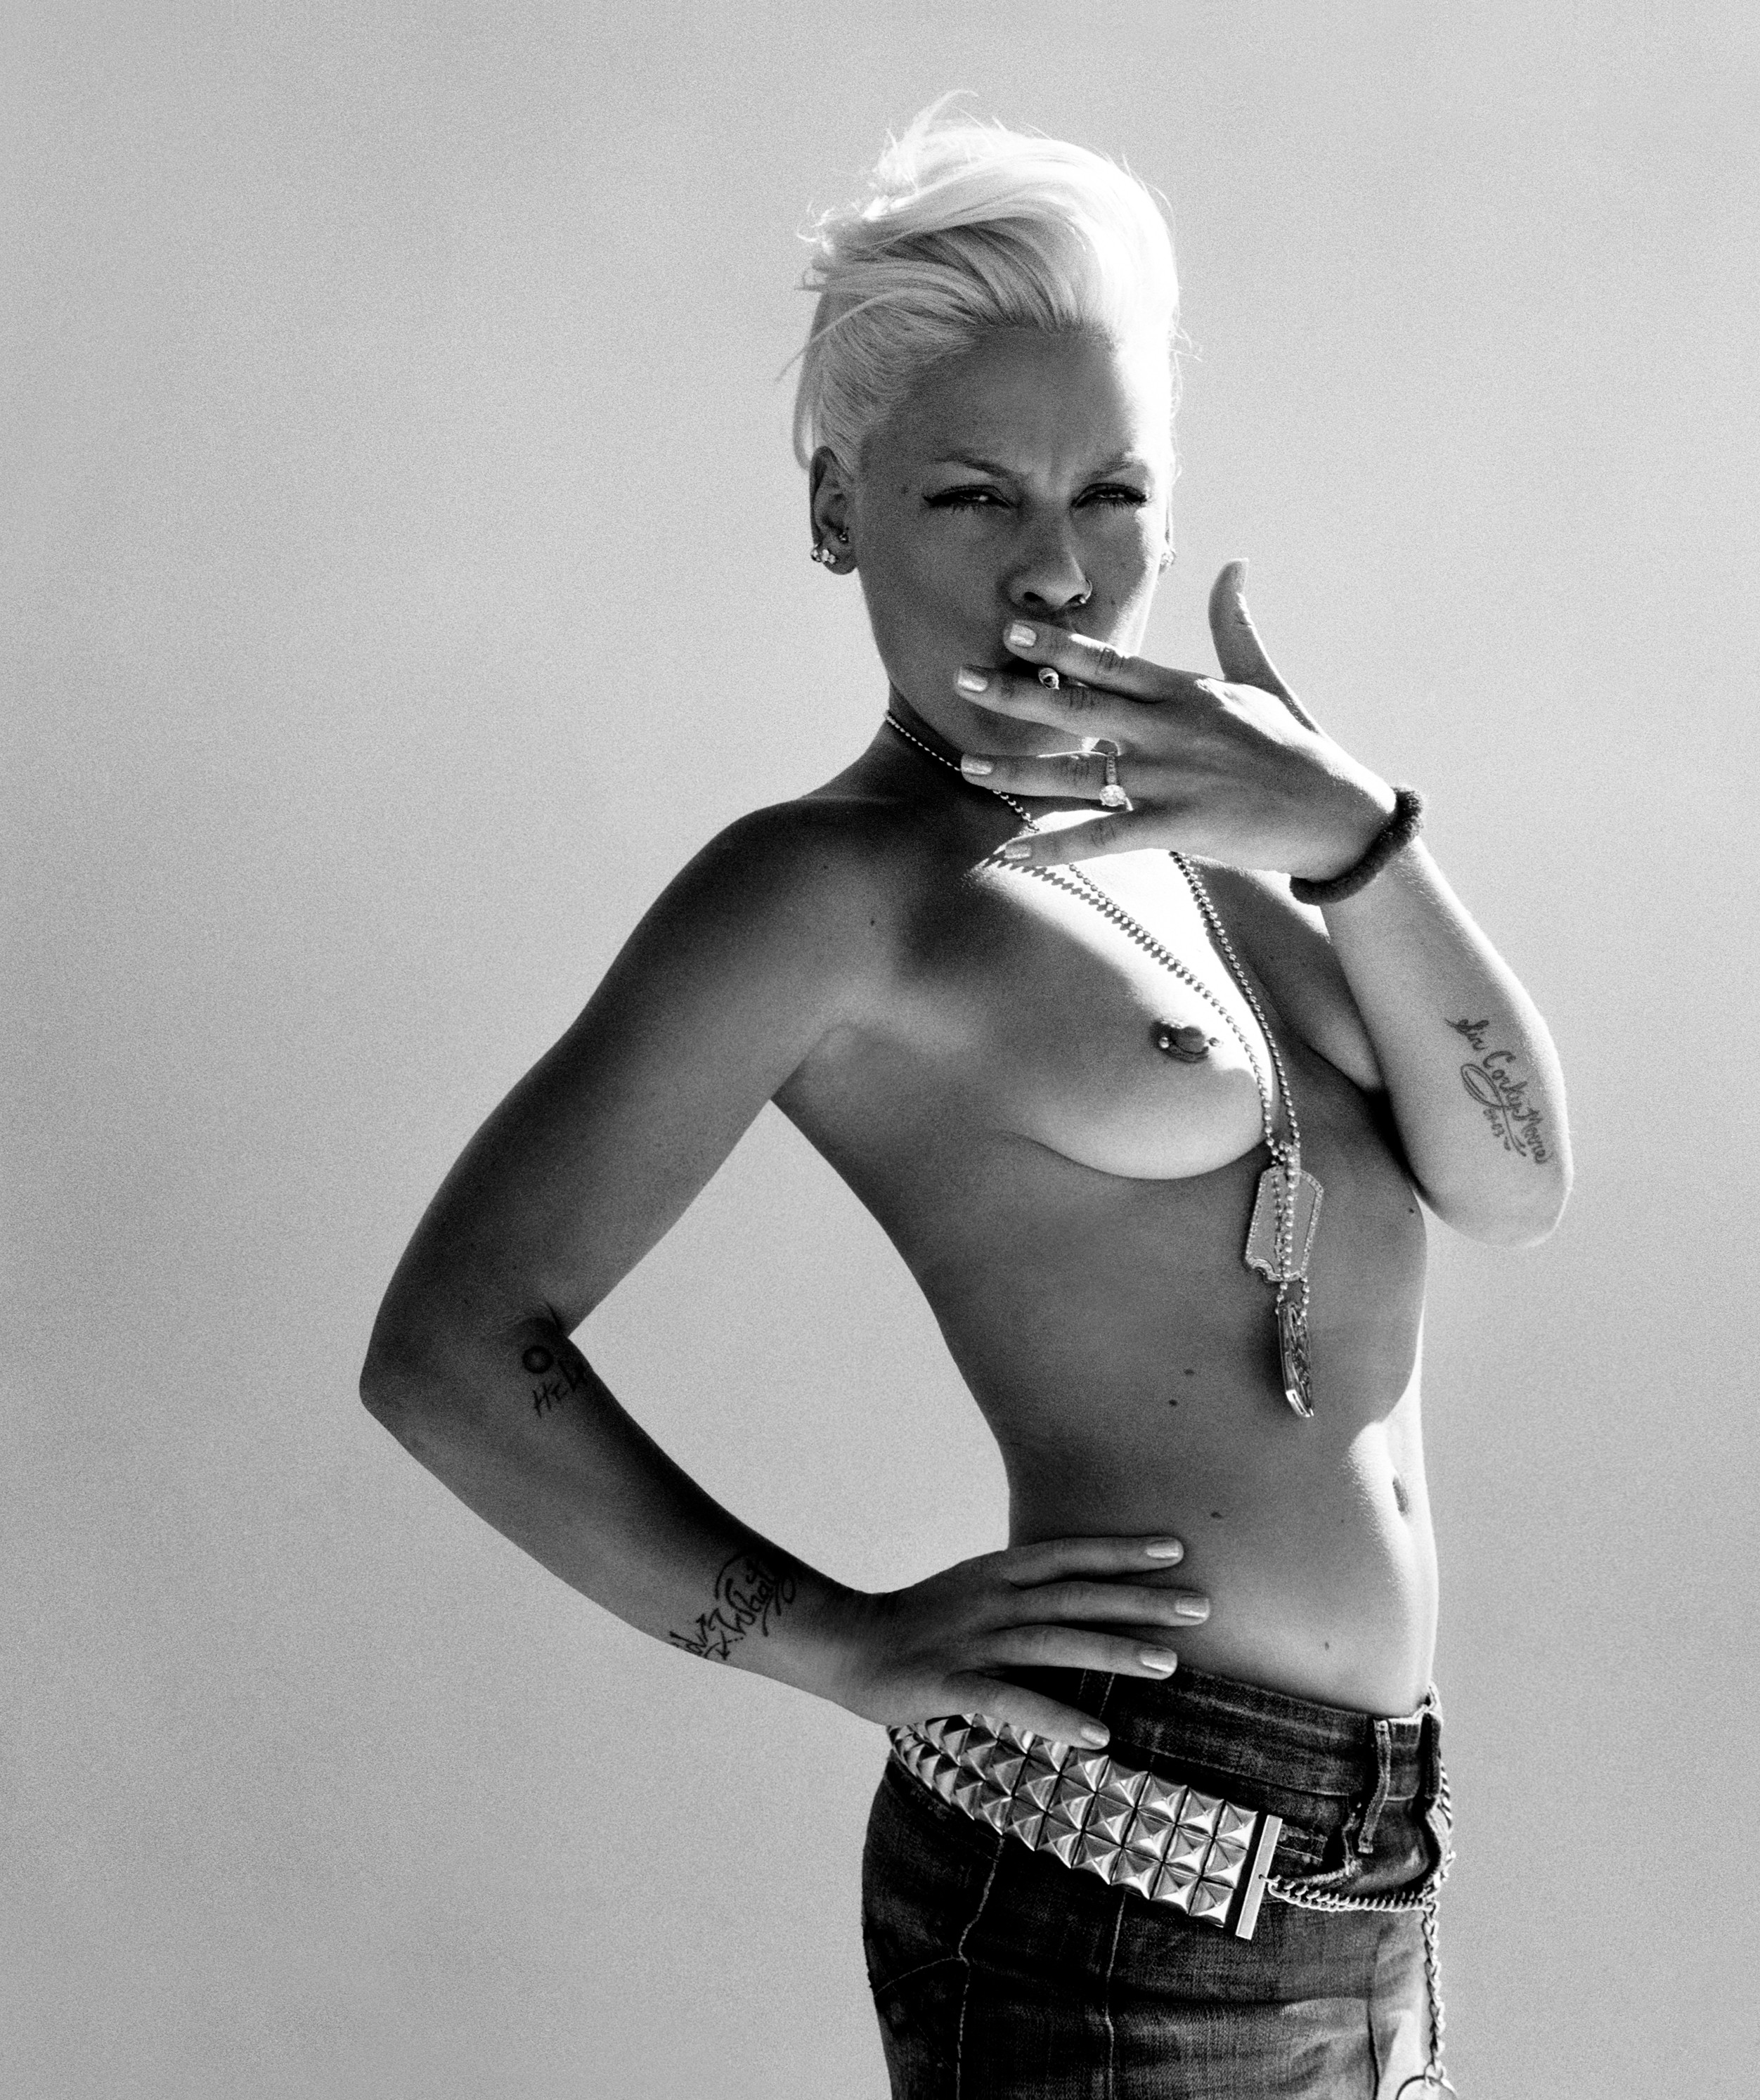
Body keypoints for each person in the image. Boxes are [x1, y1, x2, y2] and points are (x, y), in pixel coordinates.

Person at [361, 105, 1571, 2100]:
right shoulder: (831, 894)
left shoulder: (1248, 850)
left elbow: (1513, 1184)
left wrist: (1356, 833)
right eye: (973, 496)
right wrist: (837, 1638)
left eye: (1114, 492)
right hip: (1111, 1874)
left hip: (1366, 1888)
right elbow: (447, 1350)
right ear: (838, 509)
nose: (1059, 569)